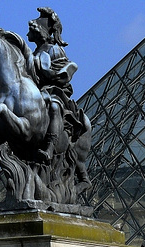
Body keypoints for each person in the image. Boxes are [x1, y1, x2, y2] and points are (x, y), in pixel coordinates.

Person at [26, 7, 86, 162]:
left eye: (30, 31)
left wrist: (47, 72)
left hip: (56, 92)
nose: (27, 34)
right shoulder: (32, 54)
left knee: (53, 106)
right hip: (37, 92)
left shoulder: (55, 50)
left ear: (38, 32)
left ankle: (50, 147)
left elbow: (65, 72)